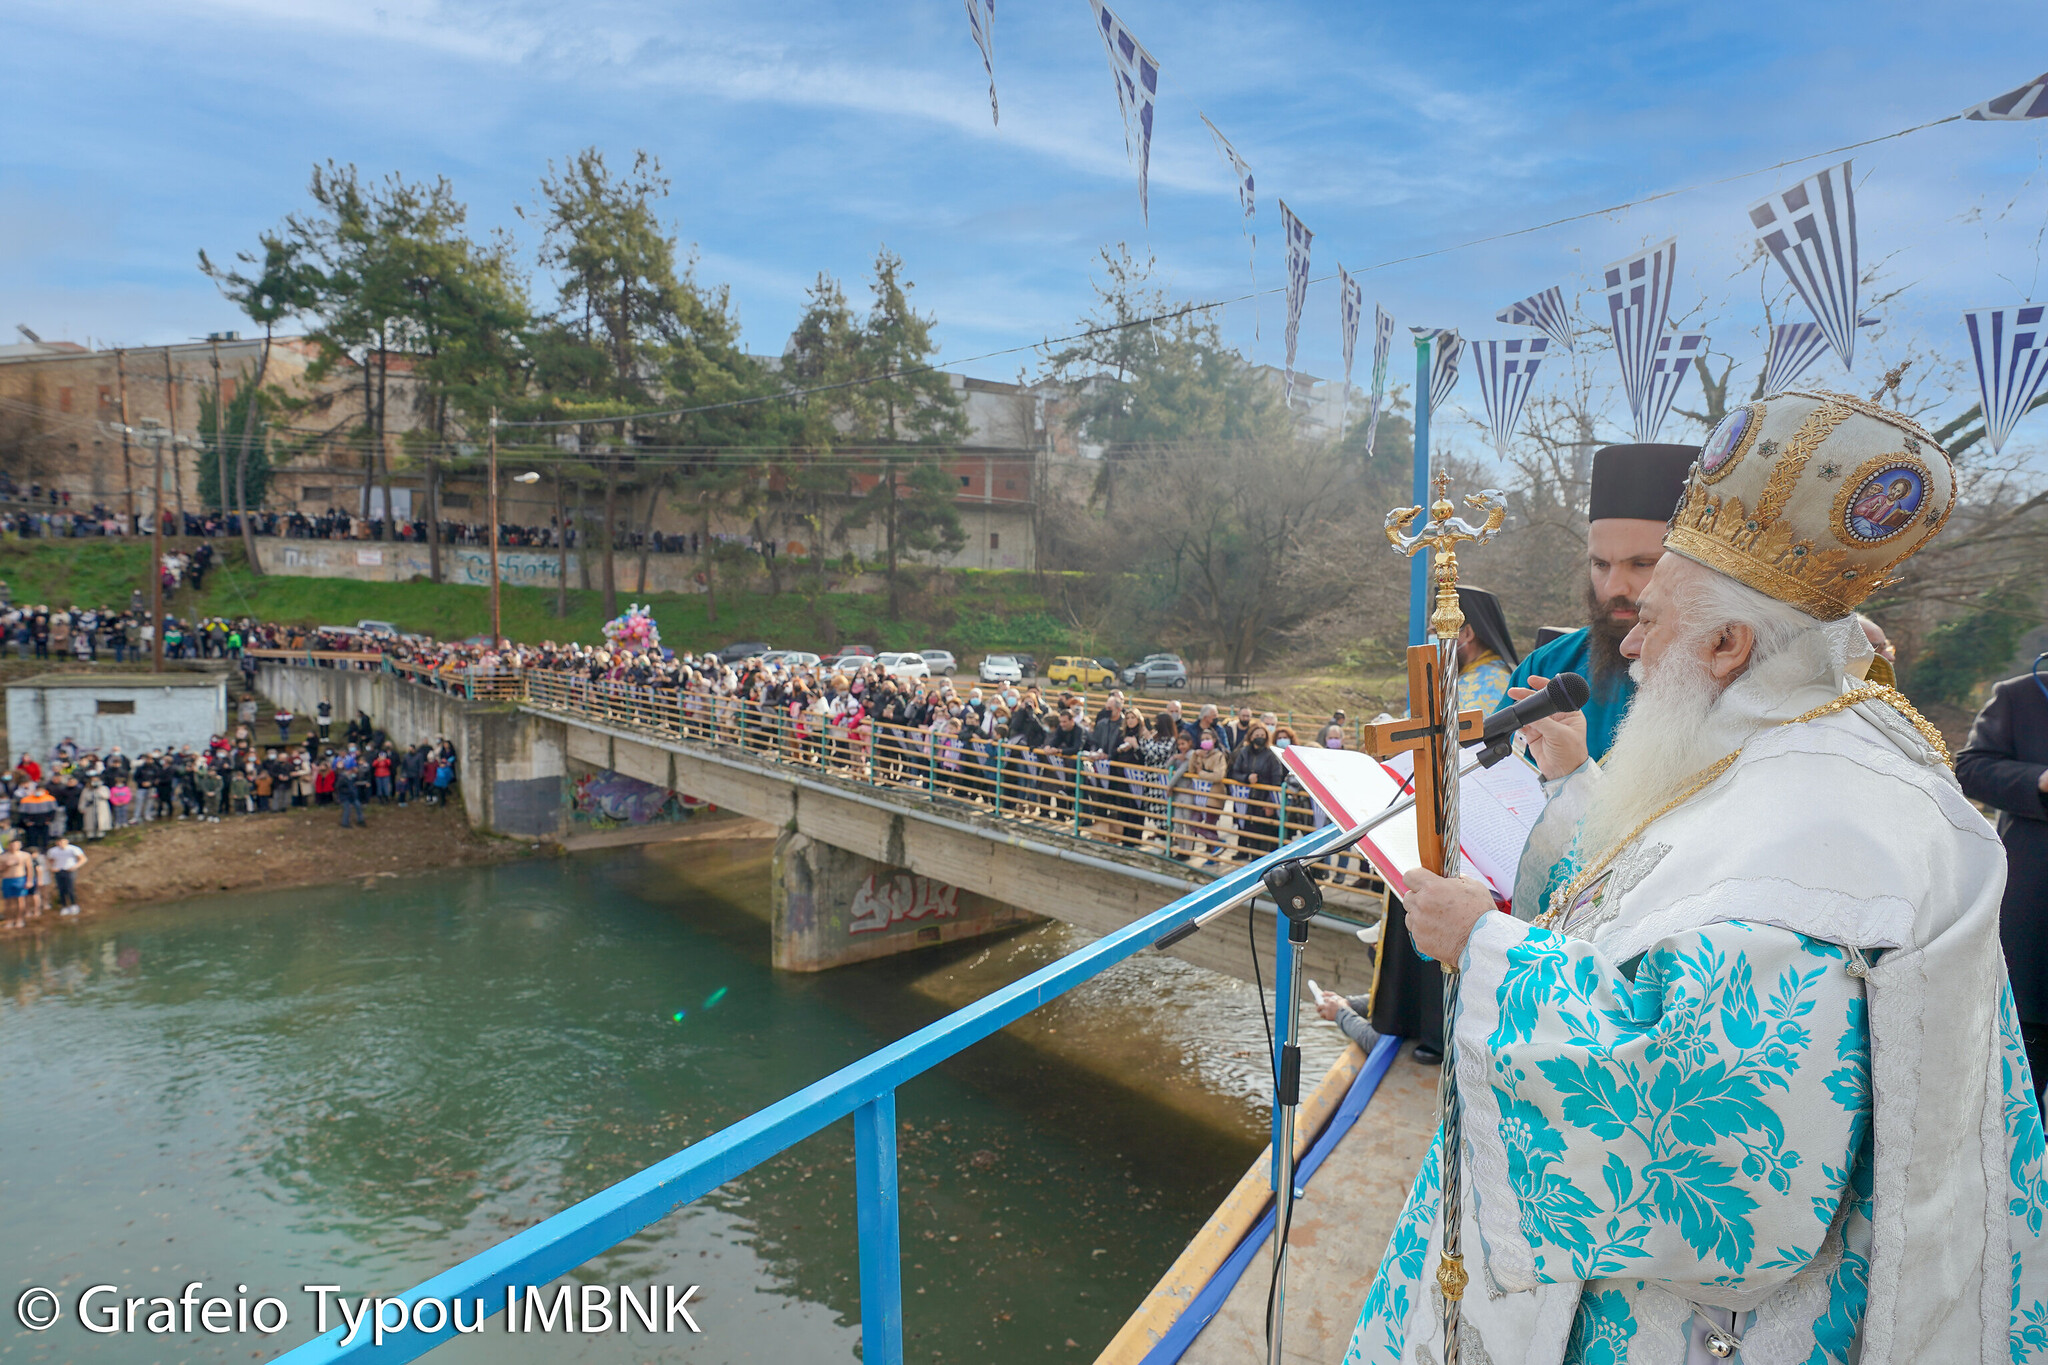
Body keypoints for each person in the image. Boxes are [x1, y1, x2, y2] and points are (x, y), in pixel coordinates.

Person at [1346, 391, 2042, 1364]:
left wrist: (1487, 950)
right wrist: (1576, 789)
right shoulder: (1785, 737)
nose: (1628, 644)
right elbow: (1659, 880)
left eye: (1653, 615)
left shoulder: (1821, 835)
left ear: (1727, 645)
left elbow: (1721, 1132)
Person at [1505, 442, 1698, 761]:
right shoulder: (1548, 668)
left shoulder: (1735, 678)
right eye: (1601, 564)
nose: (1613, 587)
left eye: (1642, 563)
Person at [1958, 662, 2048, 1106]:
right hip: (2037, 912)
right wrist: (2038, 780)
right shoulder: (2022, 695)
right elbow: (1970, 768)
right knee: (2017, 1089)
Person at [1453, 585, 1518, 714]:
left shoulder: (1493, 682)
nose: (1435, 640)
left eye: (1438, 632)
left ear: (1467, 633)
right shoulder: (1463, 673)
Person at [45, 834, 84, 915]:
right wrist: (52, 868)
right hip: (59, 871)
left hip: (69, 870)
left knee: (70, 888)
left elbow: (83, 859)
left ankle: (73, 904)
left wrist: (75, 866)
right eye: (59, 842)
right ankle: (64, 906)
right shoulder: (52, 851)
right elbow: (49, 861)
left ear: (66, 841)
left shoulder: (73, 849)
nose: (61, 843)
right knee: (61, 889)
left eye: (62, 841)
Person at [0, 839, 32, 924]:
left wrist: (29, 881)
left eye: (16, 845)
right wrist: (7, 865)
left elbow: (29, 869)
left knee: (20, 900)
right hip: (7, 879)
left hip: (20, 879)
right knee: (8, 901)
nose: (14, 847)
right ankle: (9, 920)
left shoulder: (25, 855)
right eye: (12, 845)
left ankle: (20, 919)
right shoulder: (3, 856)